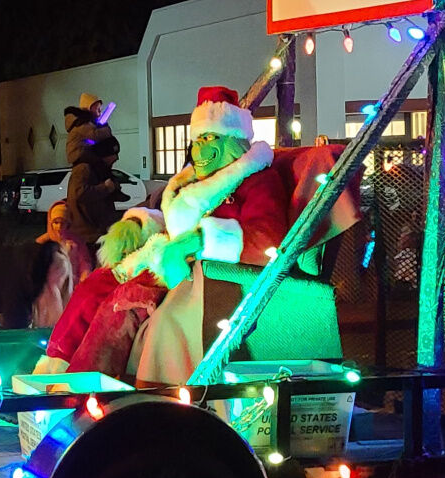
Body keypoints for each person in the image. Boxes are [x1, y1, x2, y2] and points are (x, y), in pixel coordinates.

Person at [44, 87, 291, 381]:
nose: (200, 148)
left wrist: (201, 241)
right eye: (197, 139)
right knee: (95, 283)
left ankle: (86, 391)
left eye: (209, 138)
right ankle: (54, 367)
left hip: (197, 271)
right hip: (164, 254)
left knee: (121, 304)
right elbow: (175, 221)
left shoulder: (257, 180)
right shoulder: (192, 179)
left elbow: (267, 238)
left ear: (233, 141)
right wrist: (141, 223)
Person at [63, 94, 122, 244]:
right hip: (88, 236)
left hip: (95, 234)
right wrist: (106, 188)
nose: (100, 112)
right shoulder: (83, 168)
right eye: (97, 108)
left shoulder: (91, 167)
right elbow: (79, 194)